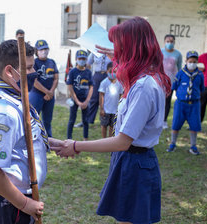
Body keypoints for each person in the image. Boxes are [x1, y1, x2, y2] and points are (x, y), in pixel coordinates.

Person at [52, 17, 171, 224]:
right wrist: (118, 59)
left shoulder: (144, 86)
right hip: (129, 161)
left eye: (120, 46)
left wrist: (76, 145)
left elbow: (122, 141)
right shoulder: (144, 79)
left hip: (134, 163)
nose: (116, 52)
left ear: (132, 48)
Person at [0, 39, 64, 223]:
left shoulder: (15, 96)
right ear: (9, 71)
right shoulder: (1, 112)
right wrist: (24, 204)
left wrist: (52, 143)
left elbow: (20, 139)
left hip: (15, 197)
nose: (33, 73)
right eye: (28, 68)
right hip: (6, 201)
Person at [166, 51, 204, 155]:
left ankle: (193, 145)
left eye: (194, 61)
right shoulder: (180, 73)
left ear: (197, 62)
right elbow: (174, 87)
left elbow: (201, 89)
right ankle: (173, 143)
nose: (192, 63)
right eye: (190, 61)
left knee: (194, 125)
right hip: (181, 104)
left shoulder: (200, 75)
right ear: (186, 61)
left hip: (194, 104)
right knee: (176, 124)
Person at [29, 40, 59, 137]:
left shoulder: (51, 62)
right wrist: (47, 92)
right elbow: (34, 81)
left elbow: (56, 78)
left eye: (45, 49)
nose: (44, 51)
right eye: (41, 49)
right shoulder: (34, 63)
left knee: (47, 120)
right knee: (33, 118)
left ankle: (48, 139)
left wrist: (51, 92)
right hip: (36, 94)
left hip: (50, 95)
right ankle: (32, 138)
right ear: (36, 51)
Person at [66, 50, 93, 140]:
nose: (82, 60)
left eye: (84, 59)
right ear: (76, 59)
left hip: (85, 99)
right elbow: (70, 86)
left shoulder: (88, 72)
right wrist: (77, 101)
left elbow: (91, 87)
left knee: (85, 120)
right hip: (75, 99)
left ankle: (85, 138)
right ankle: (69, 138)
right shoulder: (72, 72)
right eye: (80, 58)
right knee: (72, 119)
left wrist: (86, 101)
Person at [161, 34, 182, 129]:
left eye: (171, 41)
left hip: (171, 82)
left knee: (167, 101)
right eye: (167, 41)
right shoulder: (160, 52)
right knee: (159, 101)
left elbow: (179, 68)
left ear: (174, 42)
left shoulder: (178, 54)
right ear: (164, 42)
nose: (169, 43)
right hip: (160, 81)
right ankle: (156, 120)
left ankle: (164, 121)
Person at [99, 62, 123, 138]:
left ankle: (110, 140)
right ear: (107, 71)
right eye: (110, 71)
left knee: (112, 126)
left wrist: (119, 108)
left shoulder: (119, 83)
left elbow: (121, 95)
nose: (113, 73)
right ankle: (103, 141)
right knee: (104, 125)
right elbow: (101, 95)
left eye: (115, 72)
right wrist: (102, 109)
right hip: (106, 110)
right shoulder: (104, 83)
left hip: (115, 110)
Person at [86, 52, 111, 125]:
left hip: (107, 75)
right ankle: (89, 119)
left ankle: (106, 120)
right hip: (97, 75)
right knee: (94, 98)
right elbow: (88, 63)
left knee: (107, 98)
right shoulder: (94, 52)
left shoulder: (110, 51)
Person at [198, 39, 207, 122]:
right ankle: (198, 123)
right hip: (205, 84)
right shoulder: (205, 56)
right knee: (201, 104)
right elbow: (193, 62)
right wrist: (202, 69)